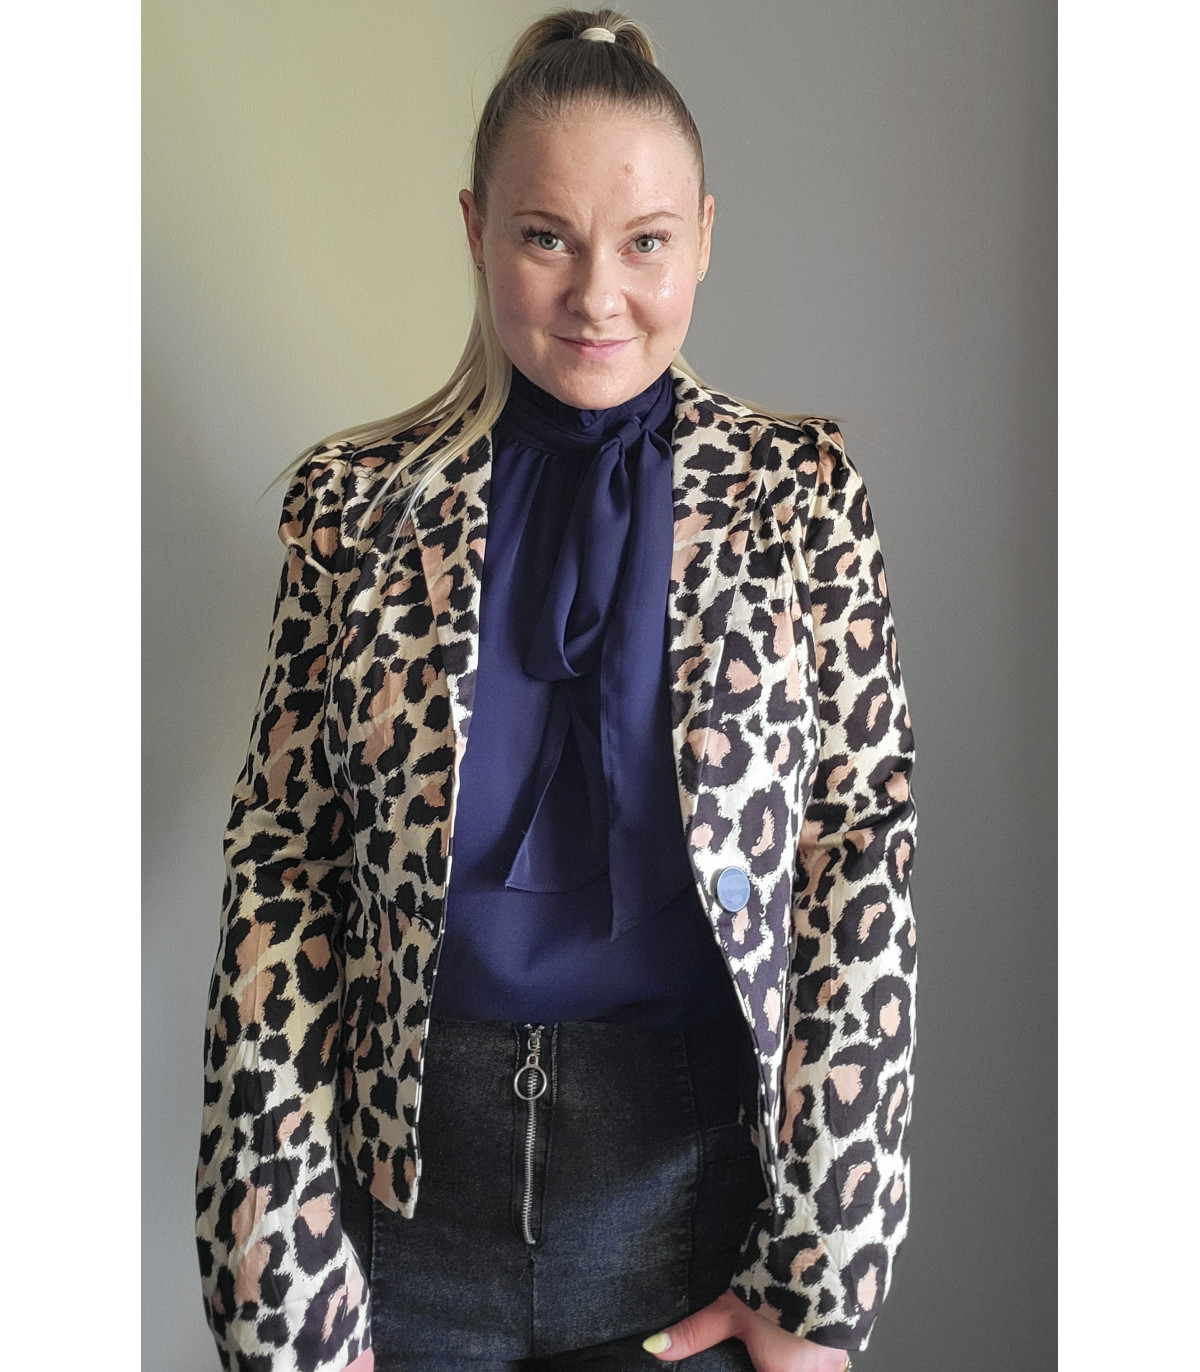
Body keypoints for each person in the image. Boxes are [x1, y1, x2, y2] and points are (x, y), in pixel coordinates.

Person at [195, 9, 918, 1372]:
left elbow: (856, 860)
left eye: (645, 241)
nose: (597, 296)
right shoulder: (354, 509)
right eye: (546, 237)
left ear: (704, 236)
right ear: (476, 229)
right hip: (395, 1222)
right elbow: (282, 874)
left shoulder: (800, 499)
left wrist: (820, 1277)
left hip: (694, 1212)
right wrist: (276, 1275)